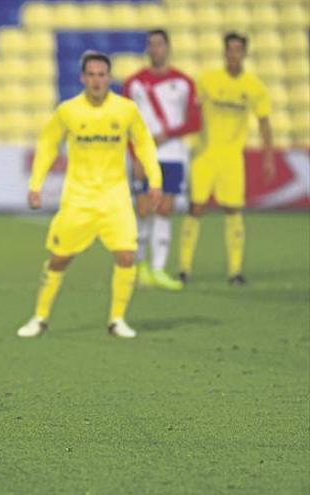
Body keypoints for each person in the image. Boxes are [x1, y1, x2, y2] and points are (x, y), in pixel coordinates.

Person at [17, 51, 162, 339]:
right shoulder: (68, 110)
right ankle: (40, 317)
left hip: (115, 197)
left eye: (102, 74)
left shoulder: (126, 110)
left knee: (126, 255)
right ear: (83, 78)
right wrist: (36, 185)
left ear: (109, 77)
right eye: (91, 74)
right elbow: (47, 145)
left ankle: (117, 319)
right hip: (78, 199)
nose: (97, 80)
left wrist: (155, 180)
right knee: (59, 259)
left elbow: (144, 144)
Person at [178, 32, 275, 285]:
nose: (233, 54)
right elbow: (190, 109)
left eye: (238, 50)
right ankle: (184, 268)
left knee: (233, 210)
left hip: (232, 158)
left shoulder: (253, 86)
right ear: (224, 52)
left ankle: (235, 272)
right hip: (204, 155)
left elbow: (264, 122)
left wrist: (268, 157)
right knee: (196, 208)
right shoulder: (208, 80)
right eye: (229, 50)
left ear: (244, 53)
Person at [122, 29, 201, 291]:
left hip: (174, 155)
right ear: (147, 49)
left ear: (168, 48)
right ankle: (140, 267)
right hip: (144, 156)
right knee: (143, 210)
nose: (155, 49)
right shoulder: (134, 83)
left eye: (159, 44)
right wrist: (133, 156)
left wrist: (169, 134)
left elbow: (195, 121)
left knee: (165, 210)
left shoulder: (184, 82)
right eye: (151, 44)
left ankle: (158, 269)